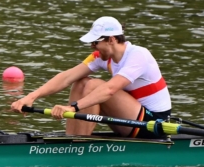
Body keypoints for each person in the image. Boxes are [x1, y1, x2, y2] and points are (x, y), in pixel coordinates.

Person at [11, 16, 172, 138]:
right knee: (81, 82)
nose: (92, 46)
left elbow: (110, 89)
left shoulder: (138, 55)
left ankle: (80, 144)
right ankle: (72, 138)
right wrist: (31, 97)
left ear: (111, 40)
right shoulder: (101, 57)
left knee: (95, 85)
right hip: (131, 118)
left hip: (153, 123)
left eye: (95, 42)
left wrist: (72, 108)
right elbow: (66, 77)